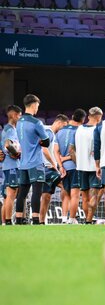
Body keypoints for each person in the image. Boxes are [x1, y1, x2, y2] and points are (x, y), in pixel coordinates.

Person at [15, 94, 50, 225]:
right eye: (37, 106)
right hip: (35, 162)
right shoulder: (36, 122)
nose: (37, 109)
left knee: (22, 193)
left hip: (23, 163)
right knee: (36, 191)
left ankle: (18, 220)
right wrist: (40, 142)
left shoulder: (19, 122)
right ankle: (35, 220)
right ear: (34, 105)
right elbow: (46, 142)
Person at [54, 108, 86, 224]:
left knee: (66, 194)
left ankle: (63, 219)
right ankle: (72, 219)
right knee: (75, 195)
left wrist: (60, 165)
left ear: (72, 117)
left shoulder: (60, 131)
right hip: (75, 166)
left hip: (64, 168)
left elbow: (55, 151)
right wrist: (68, 158)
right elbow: (77, 151)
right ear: (83, 120)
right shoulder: (80, 131)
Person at [72, 107, 103, 224]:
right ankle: (89, 219)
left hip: (81, 166)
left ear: (89, 116)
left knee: (84, 197)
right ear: (99, 117)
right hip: (94, 167)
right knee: (94, 195)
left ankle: (87, 220)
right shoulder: (97, 130)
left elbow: (72, 148)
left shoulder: (78, 129)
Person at [39, 114, 69, 224]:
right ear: (59, 122)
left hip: (45, 169)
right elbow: (44, 149)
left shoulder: (50, 133)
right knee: (66, 185)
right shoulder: (49, 132)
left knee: (46, 196)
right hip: (48, 168)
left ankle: (41, 221)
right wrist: (54, 164)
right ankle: (65, 217)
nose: (63, 128)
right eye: (64, 126)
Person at [1, 105, 22, 225]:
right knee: (11, 194)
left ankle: (4, 223)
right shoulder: (10, 130)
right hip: (12, 166)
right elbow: (8, 144)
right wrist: (16, 153)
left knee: (8, 196)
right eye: (19, 115)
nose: (20, 117)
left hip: (8, 166)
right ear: (14, 115)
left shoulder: (6, 129)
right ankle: (8, 221)